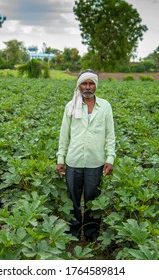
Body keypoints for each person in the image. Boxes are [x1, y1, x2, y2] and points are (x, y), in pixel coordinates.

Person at [56, 69, 116, 242]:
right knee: (73, 199)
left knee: (92, 200)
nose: (88, 87)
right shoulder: (70, 106)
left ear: (96, 85)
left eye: (91, 83)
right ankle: (73, 233)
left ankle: (91, 234)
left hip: (95, 162)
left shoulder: (105, 106)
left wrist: (109, 158)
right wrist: (61, 159)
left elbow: (110, 135)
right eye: (84, 83)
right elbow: (64, 135)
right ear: (79, 85)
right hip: (74, 161)